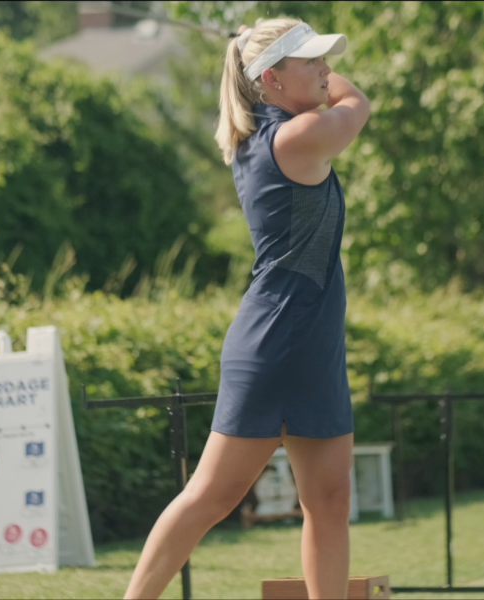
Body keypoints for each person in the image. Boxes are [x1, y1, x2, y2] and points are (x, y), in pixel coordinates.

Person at [124, 17, 369, 600]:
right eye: (310, 61)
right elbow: (357, 103)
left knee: (330, 503)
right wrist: (279, 60)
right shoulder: (291, 139)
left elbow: (331, 89)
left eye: (323, 58)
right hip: (277, 343)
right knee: (211, 496)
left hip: (314, 346)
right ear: (272, 79)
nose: (326, 69)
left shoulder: (276, 129)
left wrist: (280, 56)